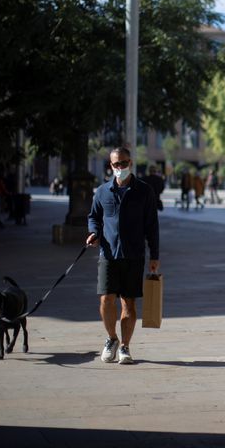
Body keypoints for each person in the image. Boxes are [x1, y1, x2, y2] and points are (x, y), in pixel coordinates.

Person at [86, 147, 160, 365]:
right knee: (106, 299)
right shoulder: (102, 192)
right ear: (111, 166)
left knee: (129, 303)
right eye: (116, 164)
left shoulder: (144, 191)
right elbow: (94, 217)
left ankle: (125, 347)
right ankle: (111, 338)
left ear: (131, 163)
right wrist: (93, 233)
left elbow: (152, 226)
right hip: (108, 254)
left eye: (124, 163)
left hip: (134, 255)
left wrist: (154, 255)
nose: (120, 168)